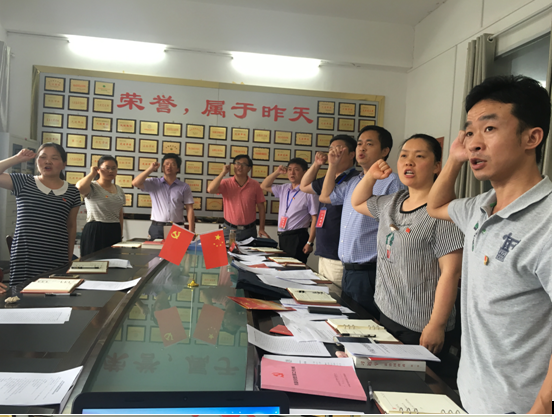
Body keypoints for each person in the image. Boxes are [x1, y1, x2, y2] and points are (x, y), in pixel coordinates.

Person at [426, 75, 551, 414]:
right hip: (471, 393)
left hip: (518, 406)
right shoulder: (480, 207)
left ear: (531, 137)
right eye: (470, 132)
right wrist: (454, 159)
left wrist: (542, 407)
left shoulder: (548, 220)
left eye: (489, 129)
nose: (474, 143)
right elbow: (436, 206)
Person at [351, 134, 463, 362]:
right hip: (388, 312)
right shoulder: (392, 202)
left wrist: (436, 325)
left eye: (419, 156)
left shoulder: (443, 212)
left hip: (421, 325)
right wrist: (371, 176)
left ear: (437, 166)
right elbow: (358, 202)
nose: (408, 162)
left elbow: (451, 272)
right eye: (403, 156)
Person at [319, 126, 405, 317]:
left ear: (385, 151)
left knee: (366, 324)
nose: (362, 148)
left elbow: (398, 227)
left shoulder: (392, 182)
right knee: (349, 322)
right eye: (359, 144)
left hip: (370, 271)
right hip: (349, 270)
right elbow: (325, 196)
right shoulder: (354, 181)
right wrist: (332, 165)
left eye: (369, 144)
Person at [0, 143, 81, 286]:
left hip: (57, 255)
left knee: (54, 294)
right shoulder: (23, 182)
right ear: (37, 161)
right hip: (25, 255)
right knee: (21, 295)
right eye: (43, 157)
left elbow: (71, 226)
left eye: (54, 158)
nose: (48, 161)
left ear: (64, 164)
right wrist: (17, 158)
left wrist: (69, 258)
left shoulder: (72, 192)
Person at [300, 134, 359, 286]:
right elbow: (304, 186)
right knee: (324, 292)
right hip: (324, 249)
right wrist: (317, 164)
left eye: (339, 149)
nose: (334, 153)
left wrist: (332, 165)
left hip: (338, 252)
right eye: (331, 149)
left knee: (335, 294)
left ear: (352, 154)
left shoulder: (355, 178)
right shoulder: (330, 178)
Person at [261, 158, 319, 263]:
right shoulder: (284, 188)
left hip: (298, 237)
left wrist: (310, 242)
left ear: (305, 172)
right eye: (289, 169)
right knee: (283, 266)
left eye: (296, 169)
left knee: (294, 268)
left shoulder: (309, 192)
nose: (292, 173)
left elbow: (315, 218)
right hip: (283, 236)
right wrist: (277, 172)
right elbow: (264, 185)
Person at [132, 153, 195, 240]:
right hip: (157, 227)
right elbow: (135, 183)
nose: (169, 166)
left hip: (177, 227)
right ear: (162, 167)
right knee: (155, 249)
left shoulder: (184, 187)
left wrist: (191, 231)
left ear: (178, 169)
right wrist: (151, 169)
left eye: (173, 164)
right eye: (166, 164)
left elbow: (190, 209)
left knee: (177, 249)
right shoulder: (154, 183)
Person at [207, 154, 269, 241]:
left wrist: (262, 228)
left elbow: (261, 207)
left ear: (249, 168)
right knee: (227, 250)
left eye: (243, 164)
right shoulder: (226, 183)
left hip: (249, 230)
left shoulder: (255, 185)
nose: (239, 166)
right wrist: (223, 173)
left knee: (249, 250)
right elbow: (210, 189)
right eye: (237, 163)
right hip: (229, 229)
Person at [76, 156, 125, 257]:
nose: (110, 171)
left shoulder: (119, 189)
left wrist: (120, 235)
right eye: (107, 168)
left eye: (113, 168)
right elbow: (79, 188)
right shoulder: (92, 186)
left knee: (113, 262)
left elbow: (120, 214)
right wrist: (92, 174)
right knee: (92, 262)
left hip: (114, 229)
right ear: (98, 169)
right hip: (96, 229)